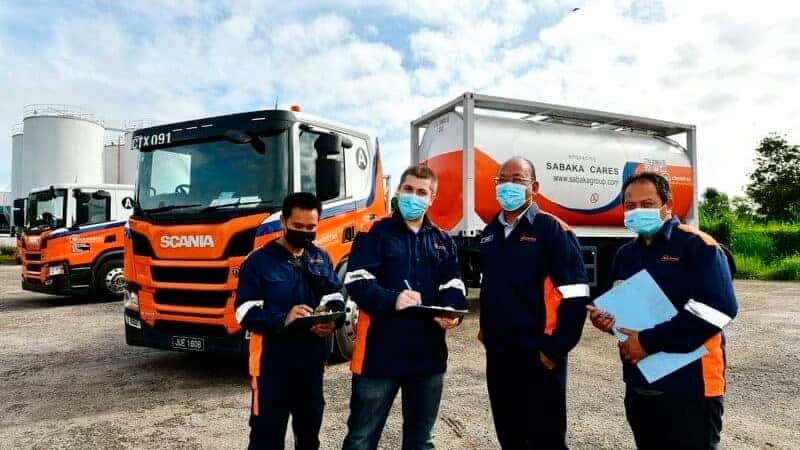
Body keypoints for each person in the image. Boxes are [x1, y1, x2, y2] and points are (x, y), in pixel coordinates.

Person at [587, 172, 738, 450]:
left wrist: (647, 342)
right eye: (630, 206)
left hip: (691, 387)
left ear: (667, 205)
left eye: (647, 204)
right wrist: (606, 321)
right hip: (641, 384)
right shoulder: (625, 255)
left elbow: (718, 309)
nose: (637, 211)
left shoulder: (698, 246)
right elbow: (623, 309)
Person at [341, 165, 468, 450]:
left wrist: (452, 310)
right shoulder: (374, 231)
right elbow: (356, 281)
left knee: (422, 441)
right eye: (408, 189)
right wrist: (393, 299)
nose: (414, 196)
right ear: (398, 191)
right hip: (379, 356)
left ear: (432, 198)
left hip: (428, 357)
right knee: (361, 439)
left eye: (422, 192)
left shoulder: (443, 240)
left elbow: (454, 284)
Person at [478, 157, 590, 450]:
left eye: (517, 179)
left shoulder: (553, 230)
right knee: (510, 435)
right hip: (499, 354)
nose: (508, 186)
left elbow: (576, 295)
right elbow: (489, 287)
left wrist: (554, 350)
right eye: (502, 180)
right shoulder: (489, 233)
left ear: (535, 187)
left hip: (538, 355)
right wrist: (485, 329)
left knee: (545, 438)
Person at [235, 192, 345, 450]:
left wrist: (332, 319)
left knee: (309, 437)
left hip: (311, 366)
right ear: (283, 222)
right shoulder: (258, 262)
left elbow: (335, 295)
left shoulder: (320, 258)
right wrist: (284, 319)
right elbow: (244, 311)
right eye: (298, 226)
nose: (305, 232)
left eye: (311, 227)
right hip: (272, 367)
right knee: (266, 439)